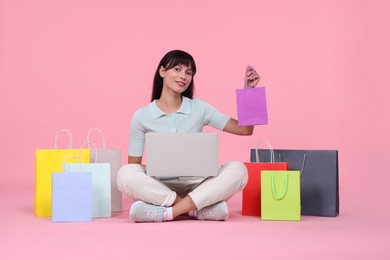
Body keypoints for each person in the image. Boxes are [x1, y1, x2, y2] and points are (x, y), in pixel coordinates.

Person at [117, 50, 260, 222]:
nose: (183, 76)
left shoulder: (200, 108)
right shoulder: (141, 116)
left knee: (239, 170)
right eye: (177, 69)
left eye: (189, 72)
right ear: (162, 71)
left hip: (198, 185)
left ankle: (169, 212)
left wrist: (250, 92)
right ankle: (196, 209)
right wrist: (157, 166)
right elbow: (134, 167)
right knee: (125, 173)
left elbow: (245, 130)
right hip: (161, 186)